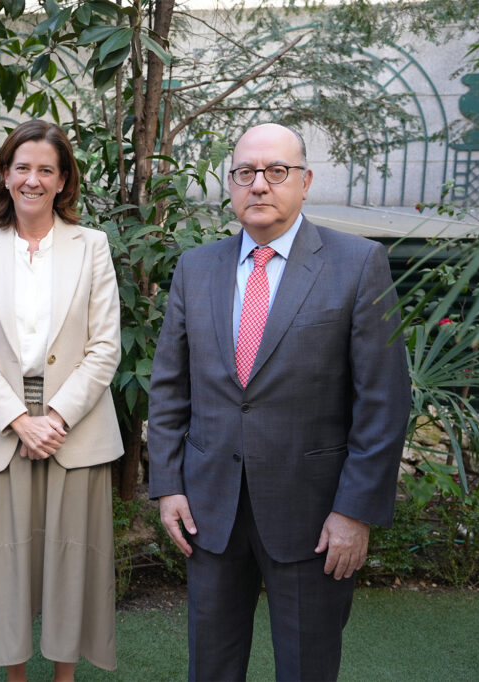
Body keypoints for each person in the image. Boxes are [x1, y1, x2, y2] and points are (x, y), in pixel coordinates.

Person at [148, 123, 411, 681]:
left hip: (315, 515)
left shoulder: (359, 263)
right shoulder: (196, 268)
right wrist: (169, 485)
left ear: (305, 181)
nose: (260, 185)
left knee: (306, 668)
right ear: (231, 183)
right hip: (211, 511)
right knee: (210, 668)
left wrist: (355, 512)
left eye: (276, 171)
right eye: (245, 172)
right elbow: (170, 387)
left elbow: (383, 401)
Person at [0, 120, 123, 682]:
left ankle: (65, 677)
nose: (33, 179)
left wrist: (55, 417)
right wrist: (21, 420)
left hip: (76, 430)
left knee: (71, 565)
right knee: (6, 567)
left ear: (63, 179)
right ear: (5, 175)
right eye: (22, 167)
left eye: (46, 169)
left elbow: (105, 346)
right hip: (4, 432)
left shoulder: (92, 246)